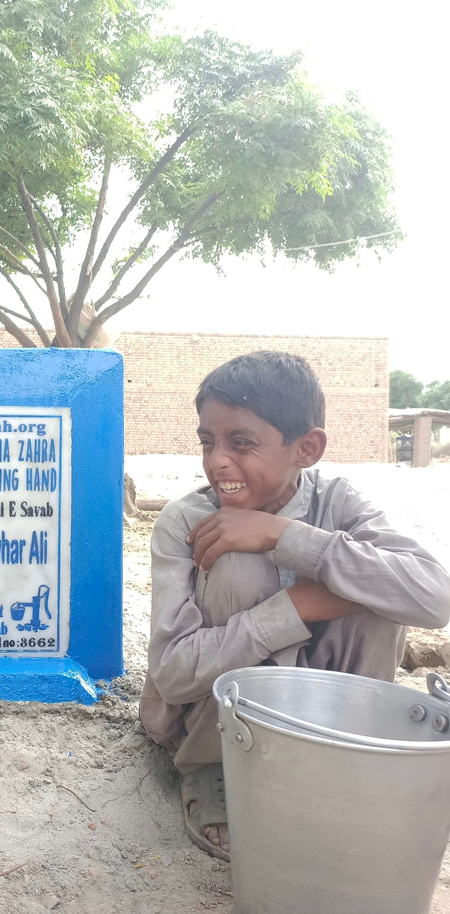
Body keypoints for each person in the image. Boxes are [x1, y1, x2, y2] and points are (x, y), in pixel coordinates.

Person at [139, 351, 450, 862]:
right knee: (237, 564)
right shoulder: (185, 523)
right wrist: (298, 607)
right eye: (207, 441)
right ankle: (212, 768)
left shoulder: (338, 504)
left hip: (329, 719)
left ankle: (347, 755)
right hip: (215, 726)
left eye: (241, 443)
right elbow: (172, 675)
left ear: (306, 448)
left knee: (381, 590)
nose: (217, 460)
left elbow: (434, 596)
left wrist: (288, 537)